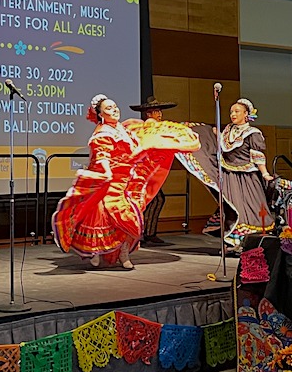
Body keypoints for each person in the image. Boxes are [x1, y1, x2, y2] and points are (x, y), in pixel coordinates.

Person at [52, 94, 199, 269]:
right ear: (100, 114)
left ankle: (123, 253)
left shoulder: (124, 129)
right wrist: (106, 173)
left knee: (131, 218)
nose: (114, 110)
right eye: (108, 108)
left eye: (114, 106)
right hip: (110, 180)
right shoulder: (102, 133)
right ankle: (97, 251)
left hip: (128, 181)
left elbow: (136, 149)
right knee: (104, 217)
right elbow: (102, 156)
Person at [180, 98, 275, 249]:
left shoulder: (252, 133)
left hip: (247, 177)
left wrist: (264, 173)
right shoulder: (228, 131)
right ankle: (233, 240)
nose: (233, 114)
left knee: (250, 208)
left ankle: (249, 240)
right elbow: (221, 147)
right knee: (233, 206)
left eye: (237, 111)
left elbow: (257, 155)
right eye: (231, 111)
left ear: (246, 114)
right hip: (229, 176)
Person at [129, 96, 178, 246]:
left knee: (153, 200)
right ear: (148, 114)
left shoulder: (155, 127)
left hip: (150, 168)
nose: (159, 114)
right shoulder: (149, 127)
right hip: (146, 169)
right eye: (156, 111)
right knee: (154, 199)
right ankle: (146, 233)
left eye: (159, 111)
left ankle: (145, 232)